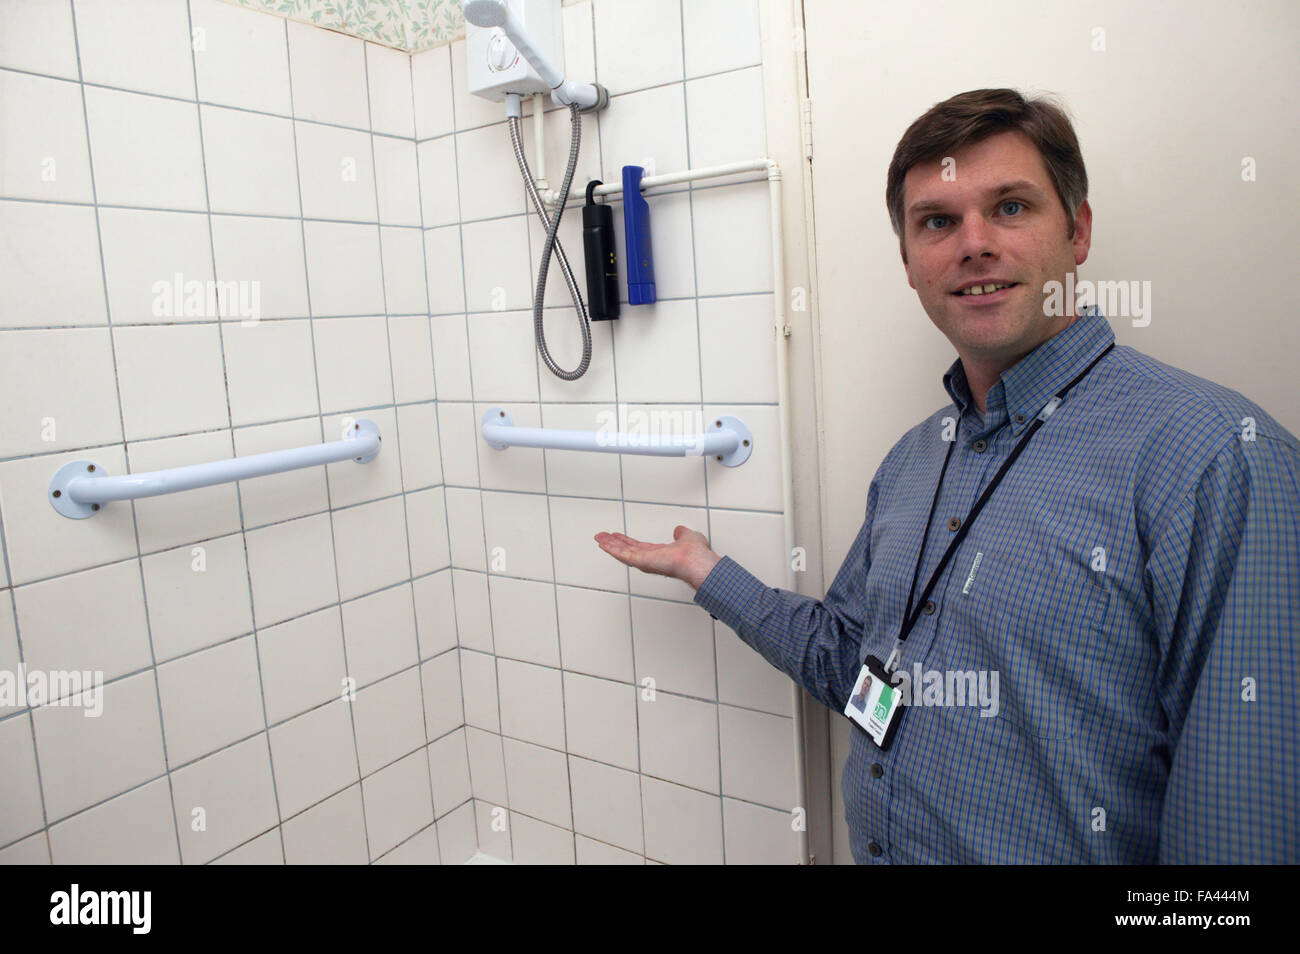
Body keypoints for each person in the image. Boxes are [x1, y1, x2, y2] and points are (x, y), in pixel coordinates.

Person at [594, 88, 1299, 864]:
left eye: (1010, 208)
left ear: (1079, 231)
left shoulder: (1215, 456)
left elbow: (1241, 843)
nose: (973, 244)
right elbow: (850, 663)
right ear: (908, 262)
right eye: (937, 221)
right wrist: (708, 573)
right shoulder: (912, 460)